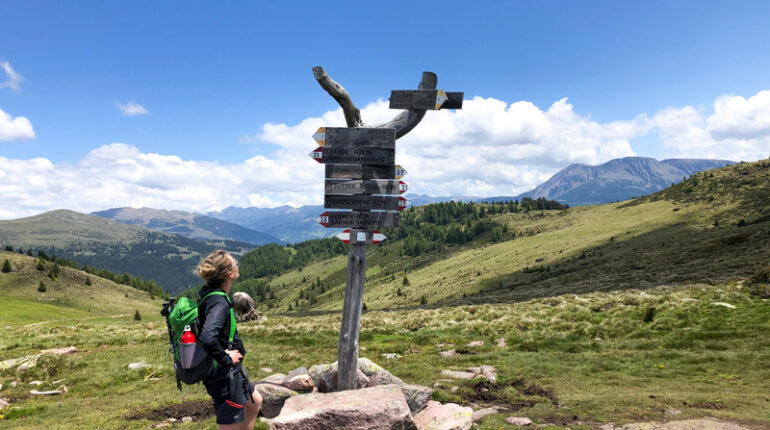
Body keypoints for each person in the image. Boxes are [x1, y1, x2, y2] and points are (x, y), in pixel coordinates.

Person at [197, 250, 262, 429]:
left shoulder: (213, 295)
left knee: (255, 402)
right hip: (224, 376)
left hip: (232, 372)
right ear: (229, 274)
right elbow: (207, 338)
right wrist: (225, 358)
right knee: (230, 425)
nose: (237, 264)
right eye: (235, 263)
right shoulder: (219, 302)